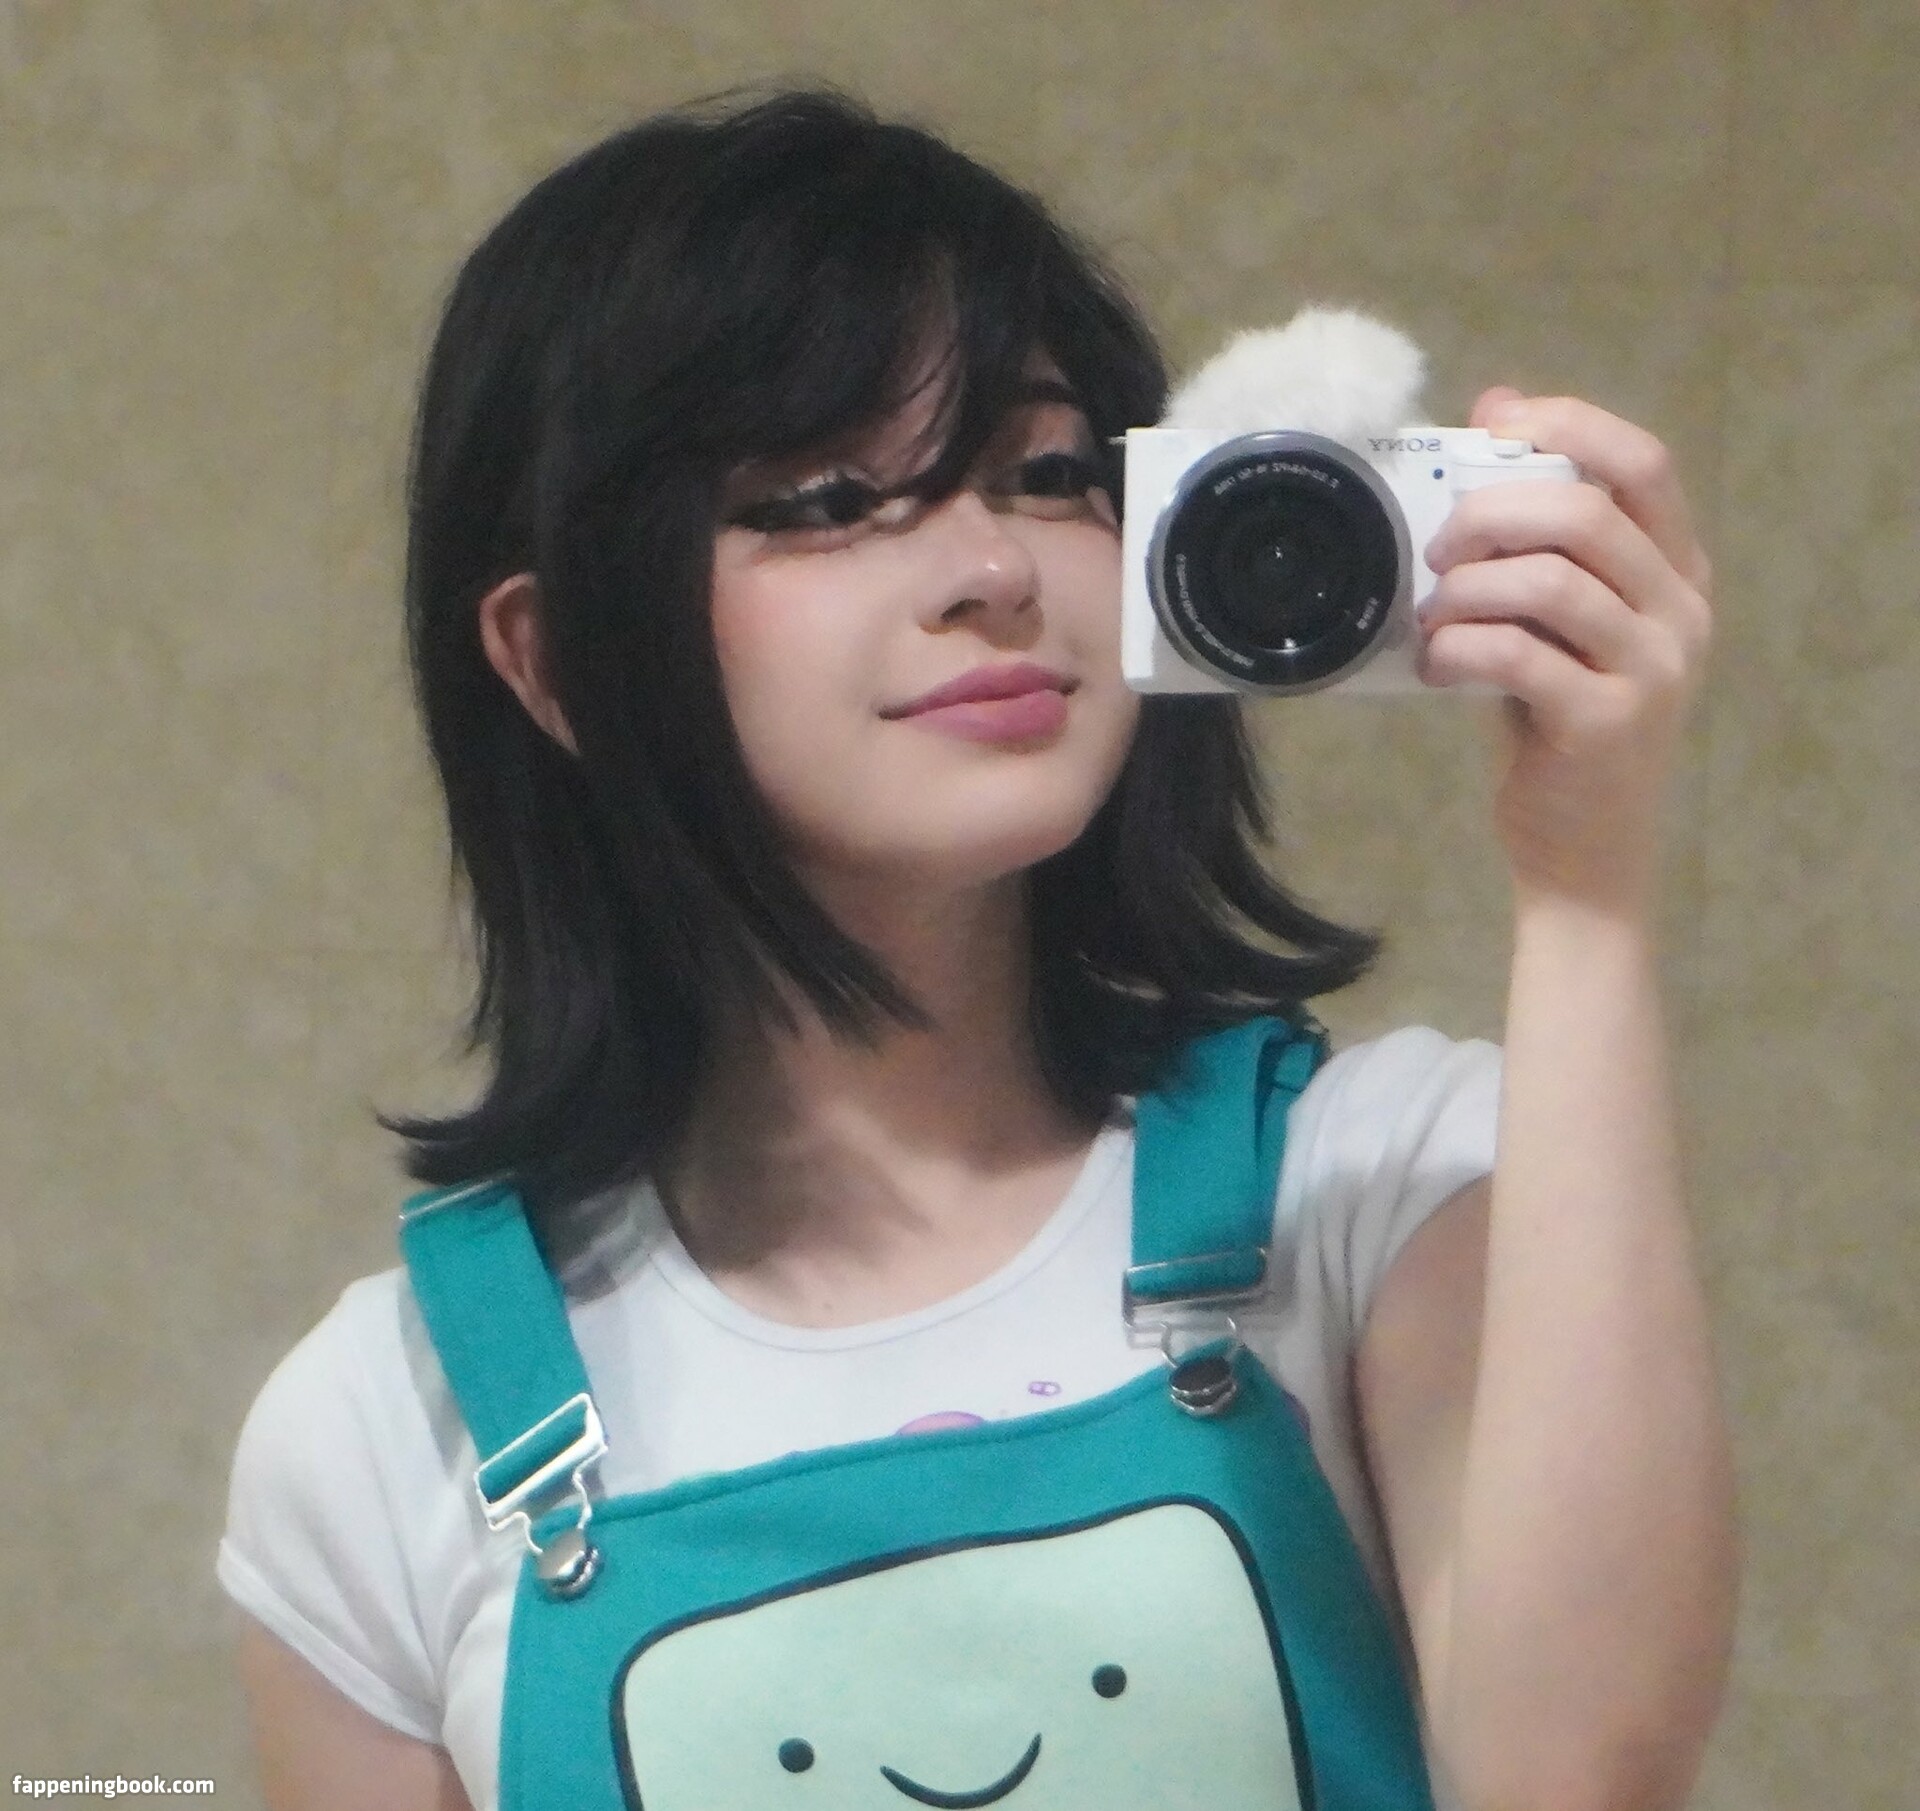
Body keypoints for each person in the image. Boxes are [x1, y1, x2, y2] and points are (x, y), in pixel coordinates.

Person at [218, 88, 1736, 1811]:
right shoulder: (381, 1428)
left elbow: (1581, 1775)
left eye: (1049, 472)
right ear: (557, 660)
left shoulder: (1382, 1188)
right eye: (824, 497)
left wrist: (1588, 889)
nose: (993, 568)